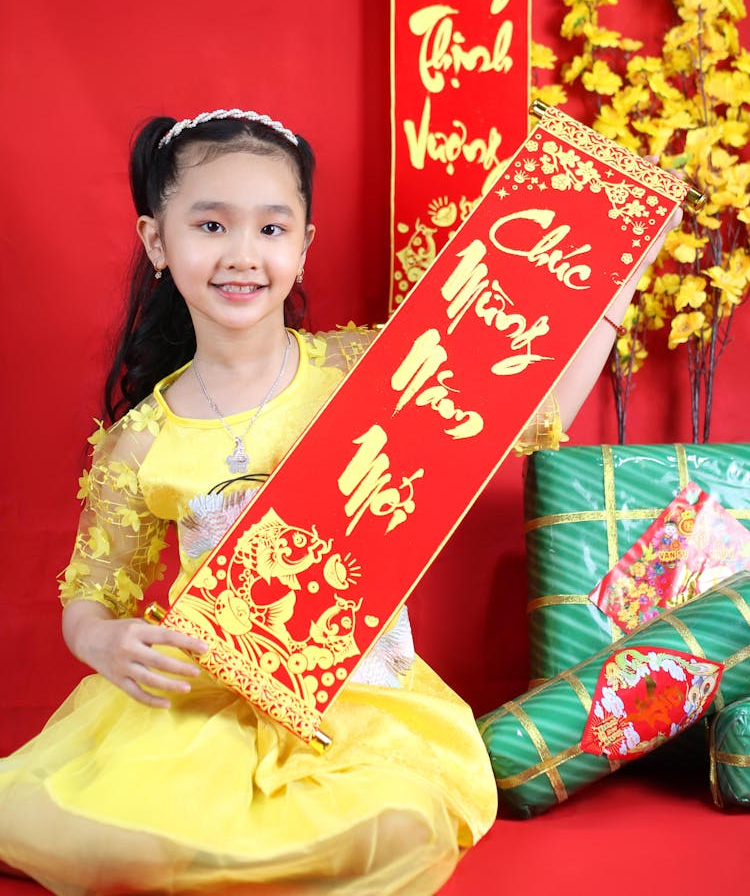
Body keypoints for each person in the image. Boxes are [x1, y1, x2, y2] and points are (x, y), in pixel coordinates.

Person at [0, 108, 662, 896]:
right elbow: (89, 596)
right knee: (122, 847)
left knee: (392, 832)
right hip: (200, 712)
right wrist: (106, 644)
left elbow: (529, 407)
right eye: (210, 224)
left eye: (272, 230)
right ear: (156, 242)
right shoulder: (141, 438)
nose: (242, 255)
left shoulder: (369, 372)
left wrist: (620, 273)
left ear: (304, 244)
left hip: (360, 707)